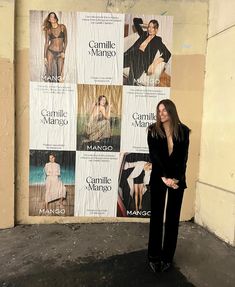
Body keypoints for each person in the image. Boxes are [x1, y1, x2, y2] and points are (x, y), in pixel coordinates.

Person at [147, 99, 190, 273]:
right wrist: (165, 177)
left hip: (177, 180)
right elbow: (155, 156)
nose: (161, 113)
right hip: (159, 177)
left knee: (172, 220)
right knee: (156, 218)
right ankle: (154, 256)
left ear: (172, 111)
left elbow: (183, 158)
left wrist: (176, 179)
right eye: (159, 111)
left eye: (164, 110)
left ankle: (167, 257)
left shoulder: (184, 131)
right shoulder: (152, 131)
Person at [124, 17, 171, 86]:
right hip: (132, 54)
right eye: (149, 27)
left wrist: (154, 63)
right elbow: (135, 21)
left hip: (142, 61)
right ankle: (132, 81)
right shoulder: (144, 34)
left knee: (134, 66)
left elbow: (168, 54)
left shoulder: (157, 40)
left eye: (152, 28)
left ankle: (130, 82)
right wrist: (145, 24)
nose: (150, 29)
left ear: (156, 30)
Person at [43, 12, 67, 82]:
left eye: (54, 17)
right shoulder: (48, 30)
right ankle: (50, 89)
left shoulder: (62, 27)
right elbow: (47, 43)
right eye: (51, 17)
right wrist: (44, 57)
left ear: (56, 18)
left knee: (59, 75)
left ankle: (57, 89)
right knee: (49, 72)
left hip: (60, 52)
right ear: (49, 20)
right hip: (50, 52)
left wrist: (63, 52)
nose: (53, 18)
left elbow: (65, 40)